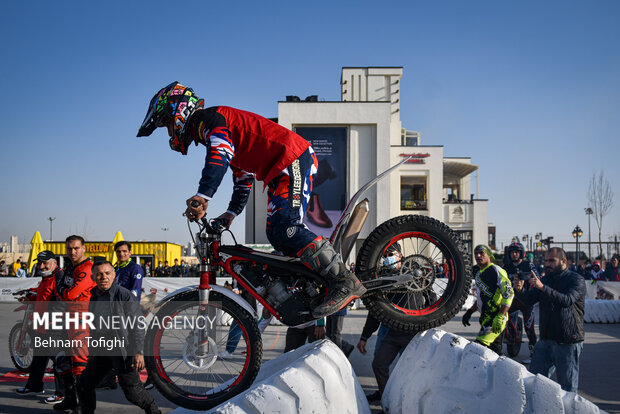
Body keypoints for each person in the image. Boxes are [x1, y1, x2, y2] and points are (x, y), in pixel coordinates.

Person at [137, 82, 365, 318]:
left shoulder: (209, 120)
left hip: (292, 158)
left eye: (165, 124)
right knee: (276, 233)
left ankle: (344, 280)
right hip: (279, 172)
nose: (169, 132)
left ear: (178, 110)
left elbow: (219, 156)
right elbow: (242, 179)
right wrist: (230, 214)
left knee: (287, 228)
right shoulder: (216, 130)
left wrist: (203, 196)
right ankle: (312, 286)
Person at [76, 260, 161, 414]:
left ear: (114, 275)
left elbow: (137, 325)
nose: (104, 277)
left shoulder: (124, 295)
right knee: (84, 384)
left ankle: (154, 411)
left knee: (133, 393)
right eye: (99, 274)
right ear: (93, 276)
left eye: (107, 273)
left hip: (123, 350)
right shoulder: (94, 295)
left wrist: (138, 352)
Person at [514, 247, 586, 393]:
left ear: (563, 261)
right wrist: (520, 290)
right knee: (533, 383)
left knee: (567, 389)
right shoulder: (546, 279)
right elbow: (529, 300)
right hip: (546, 339)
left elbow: (566, 300)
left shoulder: (576, 280)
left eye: (552, 260)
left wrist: (542, 287)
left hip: (567, 341)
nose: (547, 264)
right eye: (546, 261)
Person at [53, 235, 96, 411]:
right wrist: (64, 291)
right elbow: (60, 290)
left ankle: (85, 408)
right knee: (62, 360)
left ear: (84, 248)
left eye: (76, 248)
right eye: (69, 248)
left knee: (80, 366)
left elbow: (69, 294)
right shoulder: (71, 266)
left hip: (82, 321)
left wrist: (64, 291)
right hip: (69, 319)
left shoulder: (88, 268)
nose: (73, 251)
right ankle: (71, 399)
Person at [16, 250, 65, 404]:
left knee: (58, 359)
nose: (42, 266)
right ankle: (35, 386)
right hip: (42, 324)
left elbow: (61, 302)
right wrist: (31, 297)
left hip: (54, 325)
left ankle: (62, 393)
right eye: (40, 263)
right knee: (39, 357)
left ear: (54, 263)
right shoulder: (46, 277)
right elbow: (44, 296)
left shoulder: (59, 277)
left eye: (46, 263)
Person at [462, 245, 514, 355]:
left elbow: (509, 294)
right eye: (476, 253)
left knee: (476, 349)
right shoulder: (479, 273)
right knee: (494, 353)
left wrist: (500, 316)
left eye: (481, 253)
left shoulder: (497, 270)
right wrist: (470, 312)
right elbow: (482, 297)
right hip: (485, 318)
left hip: (496, 318)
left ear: (489, 255)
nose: (478, 256)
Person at [502, 242, 537, 359]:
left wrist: (527, 278)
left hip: (526, 300)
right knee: (499, 316)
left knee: (529, 327)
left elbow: (537, 278)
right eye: (512, 252)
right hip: (511, 299)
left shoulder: (529, 265)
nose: (514, 254)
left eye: (516, 252)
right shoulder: (506, 267)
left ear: (521, 253)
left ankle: (534, 352)